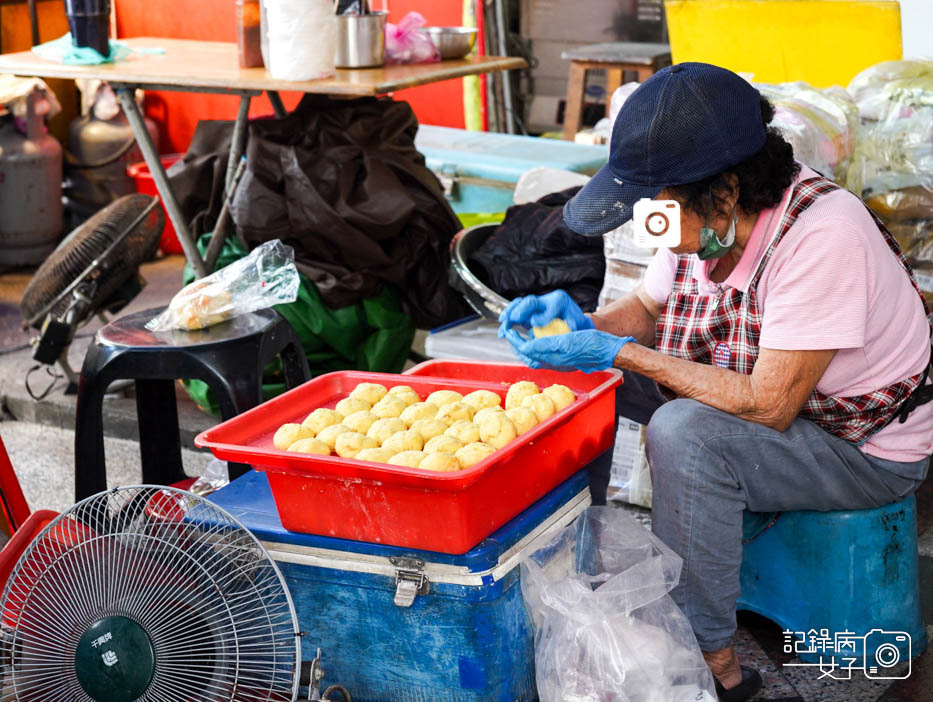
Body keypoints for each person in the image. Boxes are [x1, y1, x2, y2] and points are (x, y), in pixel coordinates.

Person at [499, 63, 933, 702]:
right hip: (769, 403)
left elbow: (770, 403)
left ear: (725, 195)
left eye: (660, 203)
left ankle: (712, 659)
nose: (653, 219)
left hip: (860, 447)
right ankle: (583, 580)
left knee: (684, 432)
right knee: (581, 388)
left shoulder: (822, 236)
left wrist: (617, 353)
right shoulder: (695, 219)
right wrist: (580, 325)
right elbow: (646, 312)